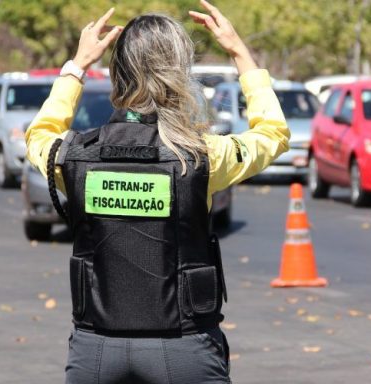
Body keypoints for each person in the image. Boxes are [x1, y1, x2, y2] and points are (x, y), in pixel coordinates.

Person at [25, 1, 289, 382]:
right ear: (179, 74)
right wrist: (240, 54)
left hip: (96, 352)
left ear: (117, 74)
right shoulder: (202, 158)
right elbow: (272, 134)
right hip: (185, 351)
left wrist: (76, 67)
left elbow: (38, 136)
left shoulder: (75, 158)